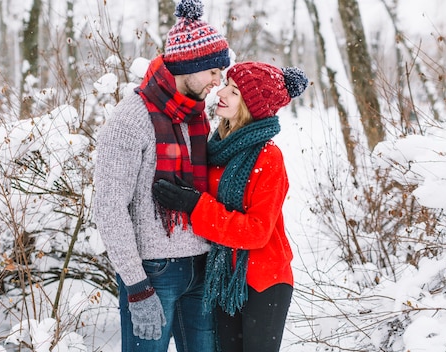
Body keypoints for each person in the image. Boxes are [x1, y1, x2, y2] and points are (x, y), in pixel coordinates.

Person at [92, 0, 230, 350]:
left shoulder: (196, 116)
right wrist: (137, 287)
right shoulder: (131, 119)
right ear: (188, 65)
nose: (218, 81)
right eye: (213, 71)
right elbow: (109, 208)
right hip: (154, 272)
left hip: (201, 265)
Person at [153, 62, 308, 352]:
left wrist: (196, 205)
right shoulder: (216, 147)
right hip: (223, 277)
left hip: (264, 282)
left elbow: (257, 231)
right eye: (226, 84)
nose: (221, 92)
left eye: (234, 91)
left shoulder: (268, 158)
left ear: (252, 106)